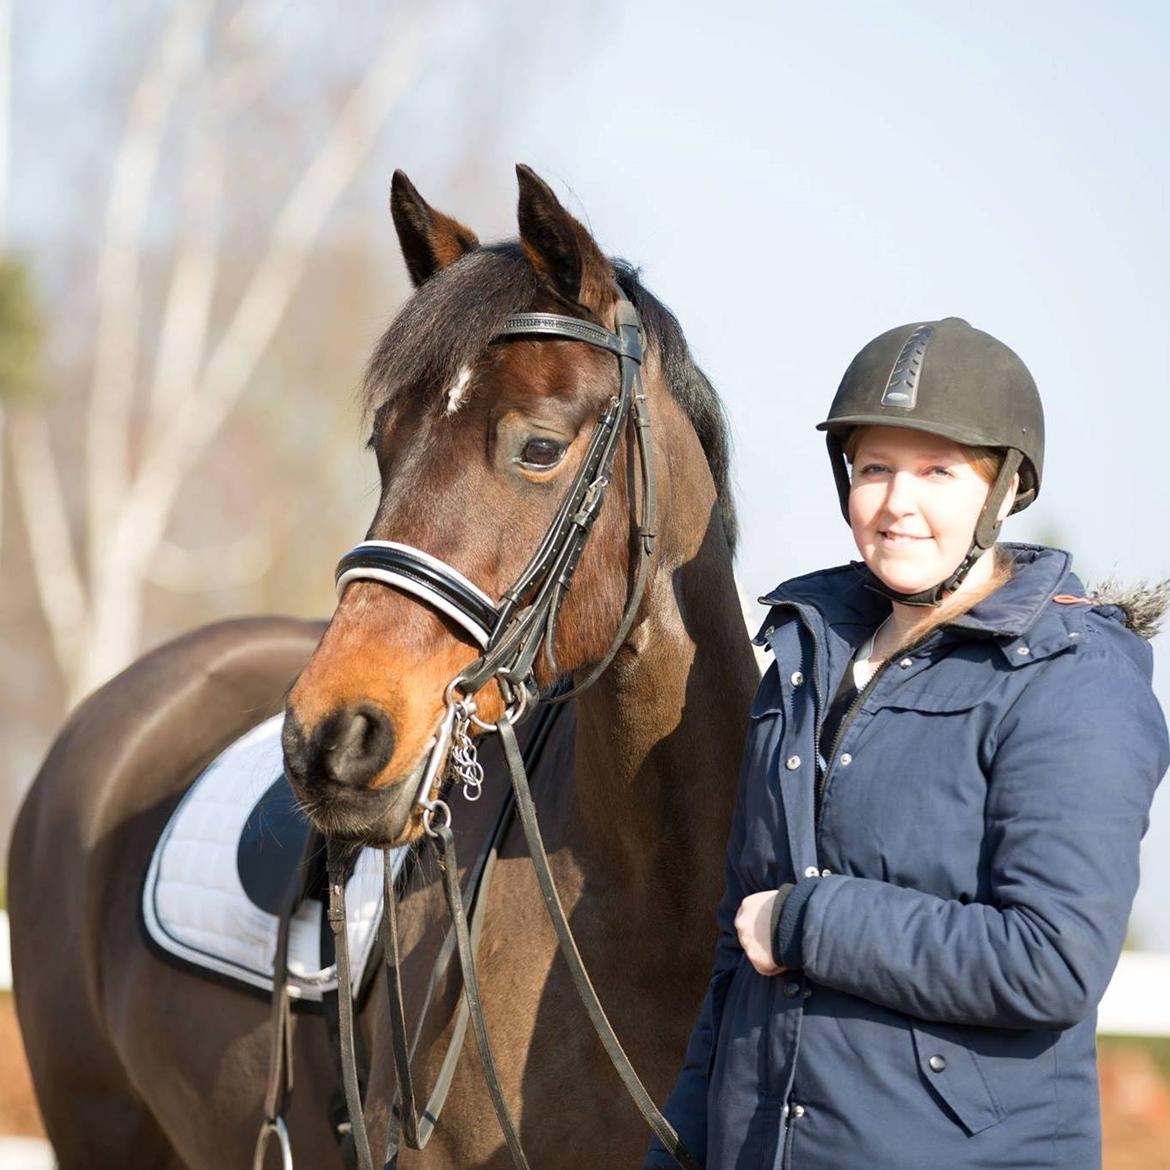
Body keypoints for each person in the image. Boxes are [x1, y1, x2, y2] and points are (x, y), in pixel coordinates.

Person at [645, 317, 1170, 1170]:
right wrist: (682, 1151)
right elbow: (737, 950)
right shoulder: (803, 660)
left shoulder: (1074, 681)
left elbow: (1052, 958)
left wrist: (812, 920)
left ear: (1002, 490)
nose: (897, 504)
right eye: (875, 470)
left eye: (937, 472)